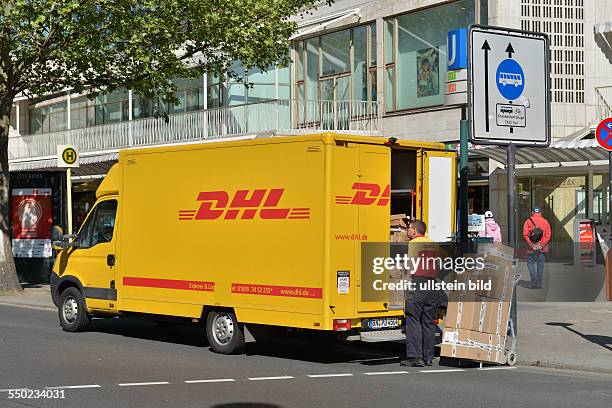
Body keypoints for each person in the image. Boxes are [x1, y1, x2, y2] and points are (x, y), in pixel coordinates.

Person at [401, 220, 439, 367]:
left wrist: (406, 279)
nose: (407, 231)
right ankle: (428, 357)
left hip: (418, 284)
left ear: (415, 231)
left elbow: (411, 264)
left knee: (413, 320)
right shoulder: (433, 243)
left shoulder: (414, 243)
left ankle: (415, 357)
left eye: (408, 228)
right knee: (428, 322)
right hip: (432, 285)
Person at [522, 207, 551, 289]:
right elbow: (548, 235)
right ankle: (539, 283)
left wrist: (532, 245)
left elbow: (525, 235)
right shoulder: (545, 222)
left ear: (532, 212)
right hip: (542, 248)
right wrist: (541, 245)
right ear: (540, 213)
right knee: (540, 265)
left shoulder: (528, 221)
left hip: (531, 248)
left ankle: (534, 279)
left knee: (530, 263)